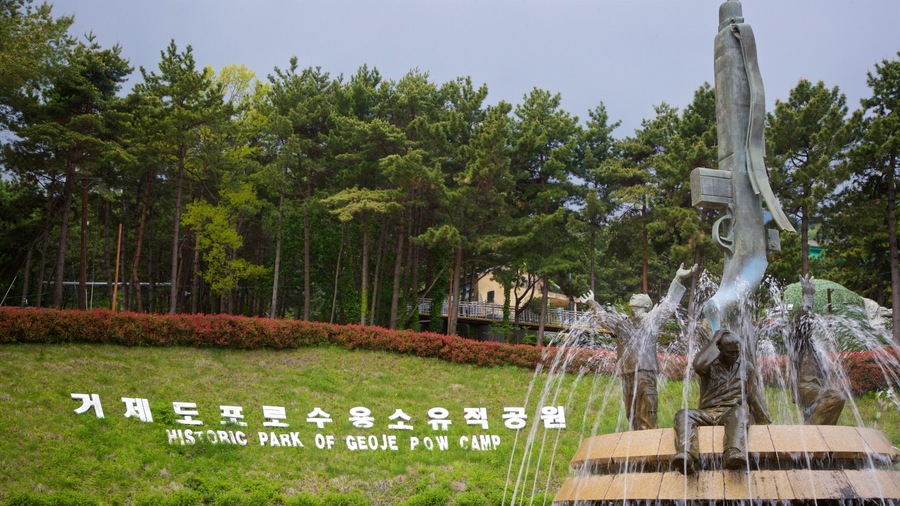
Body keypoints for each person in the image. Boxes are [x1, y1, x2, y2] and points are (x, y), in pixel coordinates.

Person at [583, 263, 696, 431]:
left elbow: (669, 304)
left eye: (639, 295)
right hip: (627, 373)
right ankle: (636, 451)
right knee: (632, 416)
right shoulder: (623, 324)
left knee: (647, 414)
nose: (634, 295)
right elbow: (604, 318)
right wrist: (592, 302)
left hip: (645, 373)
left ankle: (649, 449)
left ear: (647, 305)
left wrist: (678, 278)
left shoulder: (651, 320)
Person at [671, 328, 771, 474]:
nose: (735, 355)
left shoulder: (746, 367)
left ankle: (733, 452)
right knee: (683, 414)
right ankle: (686, 455)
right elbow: (698, 365)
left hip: (730, 413)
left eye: (737, 351)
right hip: (706, 413)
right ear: (719, 349)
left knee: (740, 412)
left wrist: (766, 425)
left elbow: (754, 396)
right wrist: (714, 340)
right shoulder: (709, 365)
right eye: (730, 352)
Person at [788, 275, 846, 425]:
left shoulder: (815, 345)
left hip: (817, 387)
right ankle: (811, 434)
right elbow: (802, 320)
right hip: (805, 388)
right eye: (806, 325)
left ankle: (815, 439)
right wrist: (808, 299)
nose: (810, 326)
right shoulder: (798, 343)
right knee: (836, 397)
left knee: (830, 405)